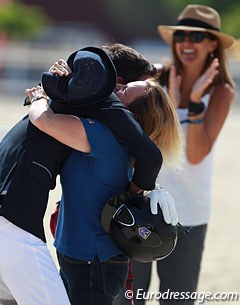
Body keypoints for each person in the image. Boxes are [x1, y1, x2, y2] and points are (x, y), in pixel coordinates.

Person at [0, 46, 180, 304]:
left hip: (92, 261)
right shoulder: (119, 142)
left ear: (136, 115)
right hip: (86, 257)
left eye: (125, 90)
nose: (116, 89)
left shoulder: (102, 136)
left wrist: (39, 95)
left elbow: (45, 121)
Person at [124, 4, 236, 305]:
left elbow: (196, 155)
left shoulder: (222, 91)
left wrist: (195, 103)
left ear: (213, 44)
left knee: (178, 300)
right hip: (141, 204)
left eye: (196, 36)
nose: (186, 42)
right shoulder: (153, 81)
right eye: (181, 35)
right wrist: (169, 98)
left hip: (190, 213)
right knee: (128, 298)